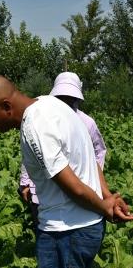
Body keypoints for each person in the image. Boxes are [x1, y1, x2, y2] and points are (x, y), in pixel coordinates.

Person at [0, 74, 133, 268]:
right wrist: (107, 197)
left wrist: (105, 207)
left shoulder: (35, 125)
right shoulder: (52, 105)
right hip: (84, 226)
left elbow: (73, 186)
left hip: (66, 231)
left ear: (6, 106)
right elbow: (89, 157)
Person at [19, 72, 107, 225]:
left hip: (80, 187)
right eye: (61, 97)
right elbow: (32, 152)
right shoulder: (41, 117)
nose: (66, 101)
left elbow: (98, 152)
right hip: (44, 190)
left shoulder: (87, 122)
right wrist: (26, 182)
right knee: (44, 228)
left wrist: (94, 180)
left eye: (70, 97)